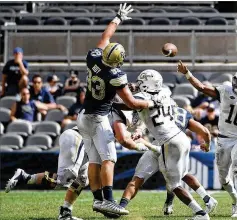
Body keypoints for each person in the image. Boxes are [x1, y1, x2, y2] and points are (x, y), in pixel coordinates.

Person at [76, 3, 160, 218]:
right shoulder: (116, 75)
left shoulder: (93, 57)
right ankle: (110, 202)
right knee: (109, 159)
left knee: (94, 160)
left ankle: (97, 202)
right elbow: (132, 103)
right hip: (98, 118)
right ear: (118, 61)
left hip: (83, 115)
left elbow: (104, 39)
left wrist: (117, 19)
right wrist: (151, 103)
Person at [5, 106, 158, 220]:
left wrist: (135, 134)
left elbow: (118, 135)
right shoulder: (117, 112)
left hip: (82, 140)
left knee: (82, 180)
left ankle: (65, 211)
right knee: (64, 180)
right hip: (79, 139)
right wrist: (142, 146)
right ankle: (24, 176)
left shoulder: (109, 112)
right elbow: (122, 138)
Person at [118, 69, 210, 220]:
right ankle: (120, 207)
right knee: (138, 177)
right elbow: (144, 105)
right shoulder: (165, 92)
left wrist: (107, 101)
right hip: (172, 139)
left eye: (142, 81)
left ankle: (200, 213)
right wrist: (133, 88)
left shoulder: (143, 97)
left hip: (168, 141)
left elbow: (129, 103)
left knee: (174, 184)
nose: (139, 84)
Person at [177, 61, 237, 217]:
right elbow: (201, 87)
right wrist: (187, 73)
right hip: (222, 140)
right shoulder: (226, 91)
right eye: (236, 81)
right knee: (223, 180)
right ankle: (235, 199)